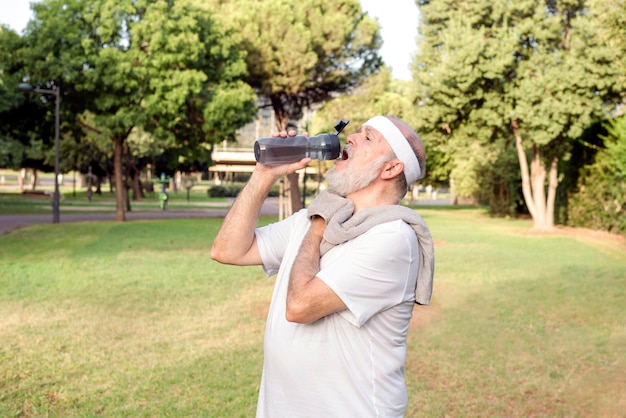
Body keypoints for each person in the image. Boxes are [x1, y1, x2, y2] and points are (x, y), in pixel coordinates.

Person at [211, 115, 435, 417]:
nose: (352, 138)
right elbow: (227, 250)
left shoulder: (393, 238)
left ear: (391, 168)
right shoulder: (318, 215)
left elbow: (300, 307)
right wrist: (263, 175)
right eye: (357, 132)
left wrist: (318, 226)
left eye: (368, 138)